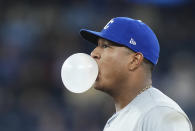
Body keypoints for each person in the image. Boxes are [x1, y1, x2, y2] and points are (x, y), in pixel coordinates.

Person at [79, 17, 193, 131]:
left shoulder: (159, 113)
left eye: (105, 46)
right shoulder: (119, 119)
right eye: (97, 45)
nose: (93, 53)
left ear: (134, 61)